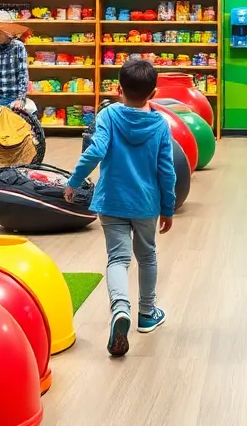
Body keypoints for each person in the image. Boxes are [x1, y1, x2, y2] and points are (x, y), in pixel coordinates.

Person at [65, 59, 176, 357]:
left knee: (118, 259)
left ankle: (120, 310)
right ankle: (147, 313)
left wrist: (74, 181)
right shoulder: (160, 125)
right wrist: (168, 207)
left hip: (112, 201)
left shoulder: (109, 115)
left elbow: (96, 150)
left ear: (118, 89)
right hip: (146, 204)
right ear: (153, 92)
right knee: (147, 256)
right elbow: (167, 171)